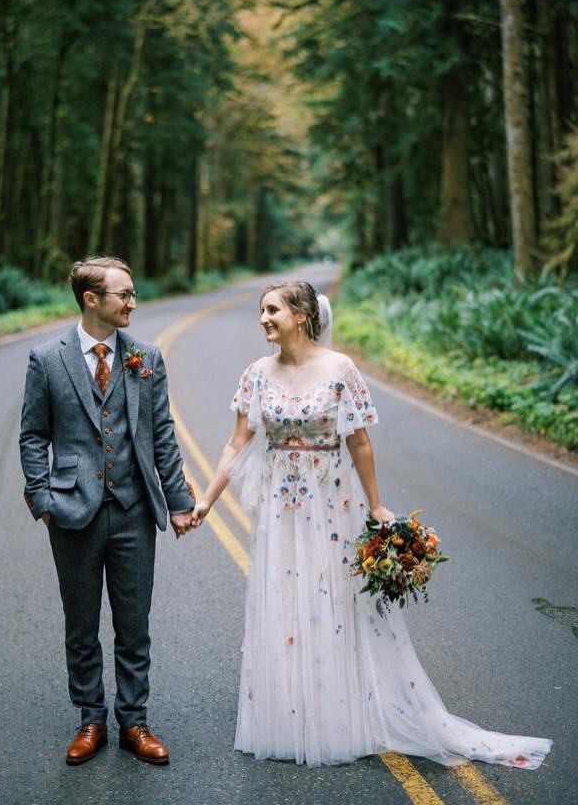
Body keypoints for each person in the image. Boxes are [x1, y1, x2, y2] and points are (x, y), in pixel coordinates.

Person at [190, 280, 552, 769]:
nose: (263, 319)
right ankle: (290, 709)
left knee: (333, 598)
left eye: (272, 309)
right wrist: (207, 501)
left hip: (332, 502)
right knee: (286, 596)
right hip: (280, 508)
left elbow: (359, 442)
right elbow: (237, 443)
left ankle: (339, 712)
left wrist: (377, 506)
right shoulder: (257, 374)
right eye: (261, 310)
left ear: (302, 315)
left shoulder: (340, 370)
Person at [19, 256, 198, 766]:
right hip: (72, 512)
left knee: (133, 622)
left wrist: (180, 502)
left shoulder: (147, 357)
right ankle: (89, 720)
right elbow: (33, 436)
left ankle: (133, 721)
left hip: (134, 511)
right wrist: (42, 500)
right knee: (80, 623)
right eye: (125, 295)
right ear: (91, 299)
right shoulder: (46, 359)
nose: (133, 303)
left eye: (134, 294)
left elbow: (162, 433)